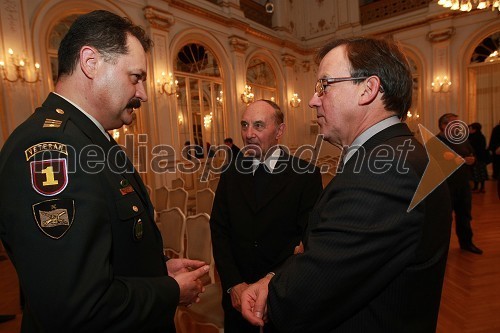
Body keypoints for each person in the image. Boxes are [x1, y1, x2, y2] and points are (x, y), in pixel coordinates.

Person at [0, 10, 209, 332]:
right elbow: (76, 304)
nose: (143, 94)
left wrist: (156, 270)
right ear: (90, 62)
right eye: (135, 77)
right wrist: (170, 290)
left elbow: (101, 258)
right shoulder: (56, 148)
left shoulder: (87, 139)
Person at [240, 37, 452, 332]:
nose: (313, 100)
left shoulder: (387, 170)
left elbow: (299, 299)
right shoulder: (399, 155)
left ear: (368, 89)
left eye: (323, 86)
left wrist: (277, 283)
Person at [210, 99, 323, 332]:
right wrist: (234, 284)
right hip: (237, 299)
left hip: (283, 295)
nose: (249, 134)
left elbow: (308, 240)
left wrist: (273, 281)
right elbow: (219, 230)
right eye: (244, 125)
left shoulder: (305, 175)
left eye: (258, 126)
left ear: (279, 131)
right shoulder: (230, 173)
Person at [437, 114, 483, 255]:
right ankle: (439, 250)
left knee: (464, 215)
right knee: (444, 220)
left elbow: (473, 155)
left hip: (463, 185)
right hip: (445, 187)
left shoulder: (462, 140)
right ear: (444, 126)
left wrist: (472, 160)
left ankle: (466, 243)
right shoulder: (436, 141)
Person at [468, 122, 489, 193]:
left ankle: (482, 187)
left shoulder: (480, 137)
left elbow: (481, 147)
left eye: (470, 128)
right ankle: (476, 187)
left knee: (480, 172)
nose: (469, 130)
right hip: (476, 157)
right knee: (475, 173)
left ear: (475, 129)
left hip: (479, 157)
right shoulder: (470, 136)